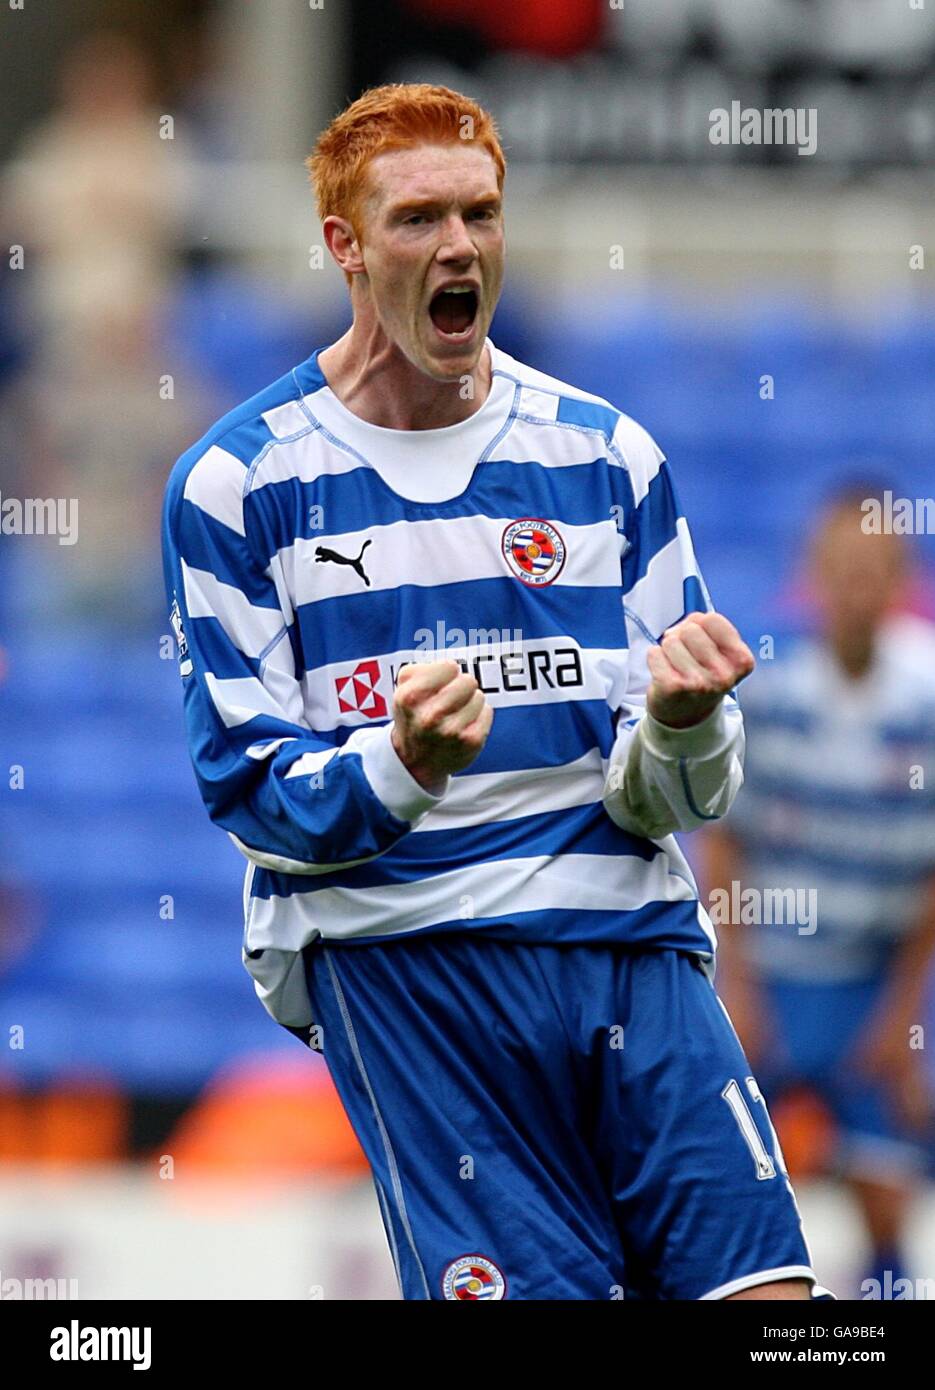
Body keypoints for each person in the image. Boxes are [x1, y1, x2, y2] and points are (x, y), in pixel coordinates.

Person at [161, 83, 831, 1301]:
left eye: (480, 212)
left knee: (779, 1311)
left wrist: (685, 722)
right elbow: (246, 784)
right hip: (414, 959)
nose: (459, 245)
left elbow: (672, 791)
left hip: (626, 943)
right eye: (418, 220)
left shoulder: (604, 456)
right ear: (344, 247)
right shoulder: (237, 483)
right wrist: (400, 761)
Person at [701, 484, 935, 1298]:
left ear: (902, 576)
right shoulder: (773, 698)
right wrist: (736, 982)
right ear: (811, 576)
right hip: (771, 973)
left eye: (873, 570)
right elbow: (726, 839)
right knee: (726, 1185)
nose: (855, 589)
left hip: (870, 983)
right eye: (839, 570)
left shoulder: (924, 704)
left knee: (883, 1189)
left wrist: (903, 1017)